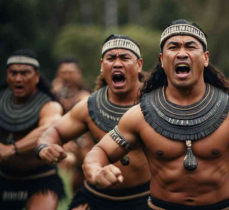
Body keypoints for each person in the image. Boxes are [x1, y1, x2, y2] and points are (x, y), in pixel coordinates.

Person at [83, 20, 229, 210]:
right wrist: (95, 169)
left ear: (205, 58)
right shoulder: (140, 115)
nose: (182, 53)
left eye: (191, 46)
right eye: (173, 47)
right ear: (162, 60)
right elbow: (100, 151)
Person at [36, 34, 151, 210]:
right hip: (97, 195)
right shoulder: (90, 107)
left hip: (144, 198)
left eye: (125, 57)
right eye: (111, 58)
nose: (117, 63)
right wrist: (44, 147)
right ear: (102, 66)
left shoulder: (156, 104)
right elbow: (53, 132)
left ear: (139, 65)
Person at [0, 50, 65, 210]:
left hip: (40, 179)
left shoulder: (50, 105)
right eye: (13, 73)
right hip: (4, 177)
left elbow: (50, 126)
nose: (18, 78)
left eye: (24, 73)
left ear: (36, 76)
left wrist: (11, 149)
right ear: (7, 75)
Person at [52, 56, 93, 194]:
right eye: (63, 72)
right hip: (60, 140)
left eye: (71, 72)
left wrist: (74, 143)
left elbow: (86, 128)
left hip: (82, 145)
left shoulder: (84, 96)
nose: (67, 76)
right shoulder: (54, 94)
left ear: (78, 74)